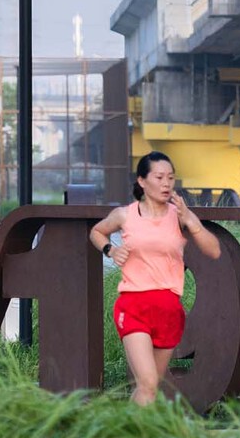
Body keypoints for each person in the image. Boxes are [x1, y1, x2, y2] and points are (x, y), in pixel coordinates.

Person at [87, 151, 222, 406]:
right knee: (148, 382)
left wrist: (191, 221)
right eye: (159, 177)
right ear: (142, 181)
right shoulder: (125, 215)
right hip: (134, 306)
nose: (166, 183)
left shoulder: (178, 215)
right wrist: (111, 250)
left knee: (149, 388)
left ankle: (128, 435)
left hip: (169, 309)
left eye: (170, 178)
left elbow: (213, 250)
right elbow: (97, 232)